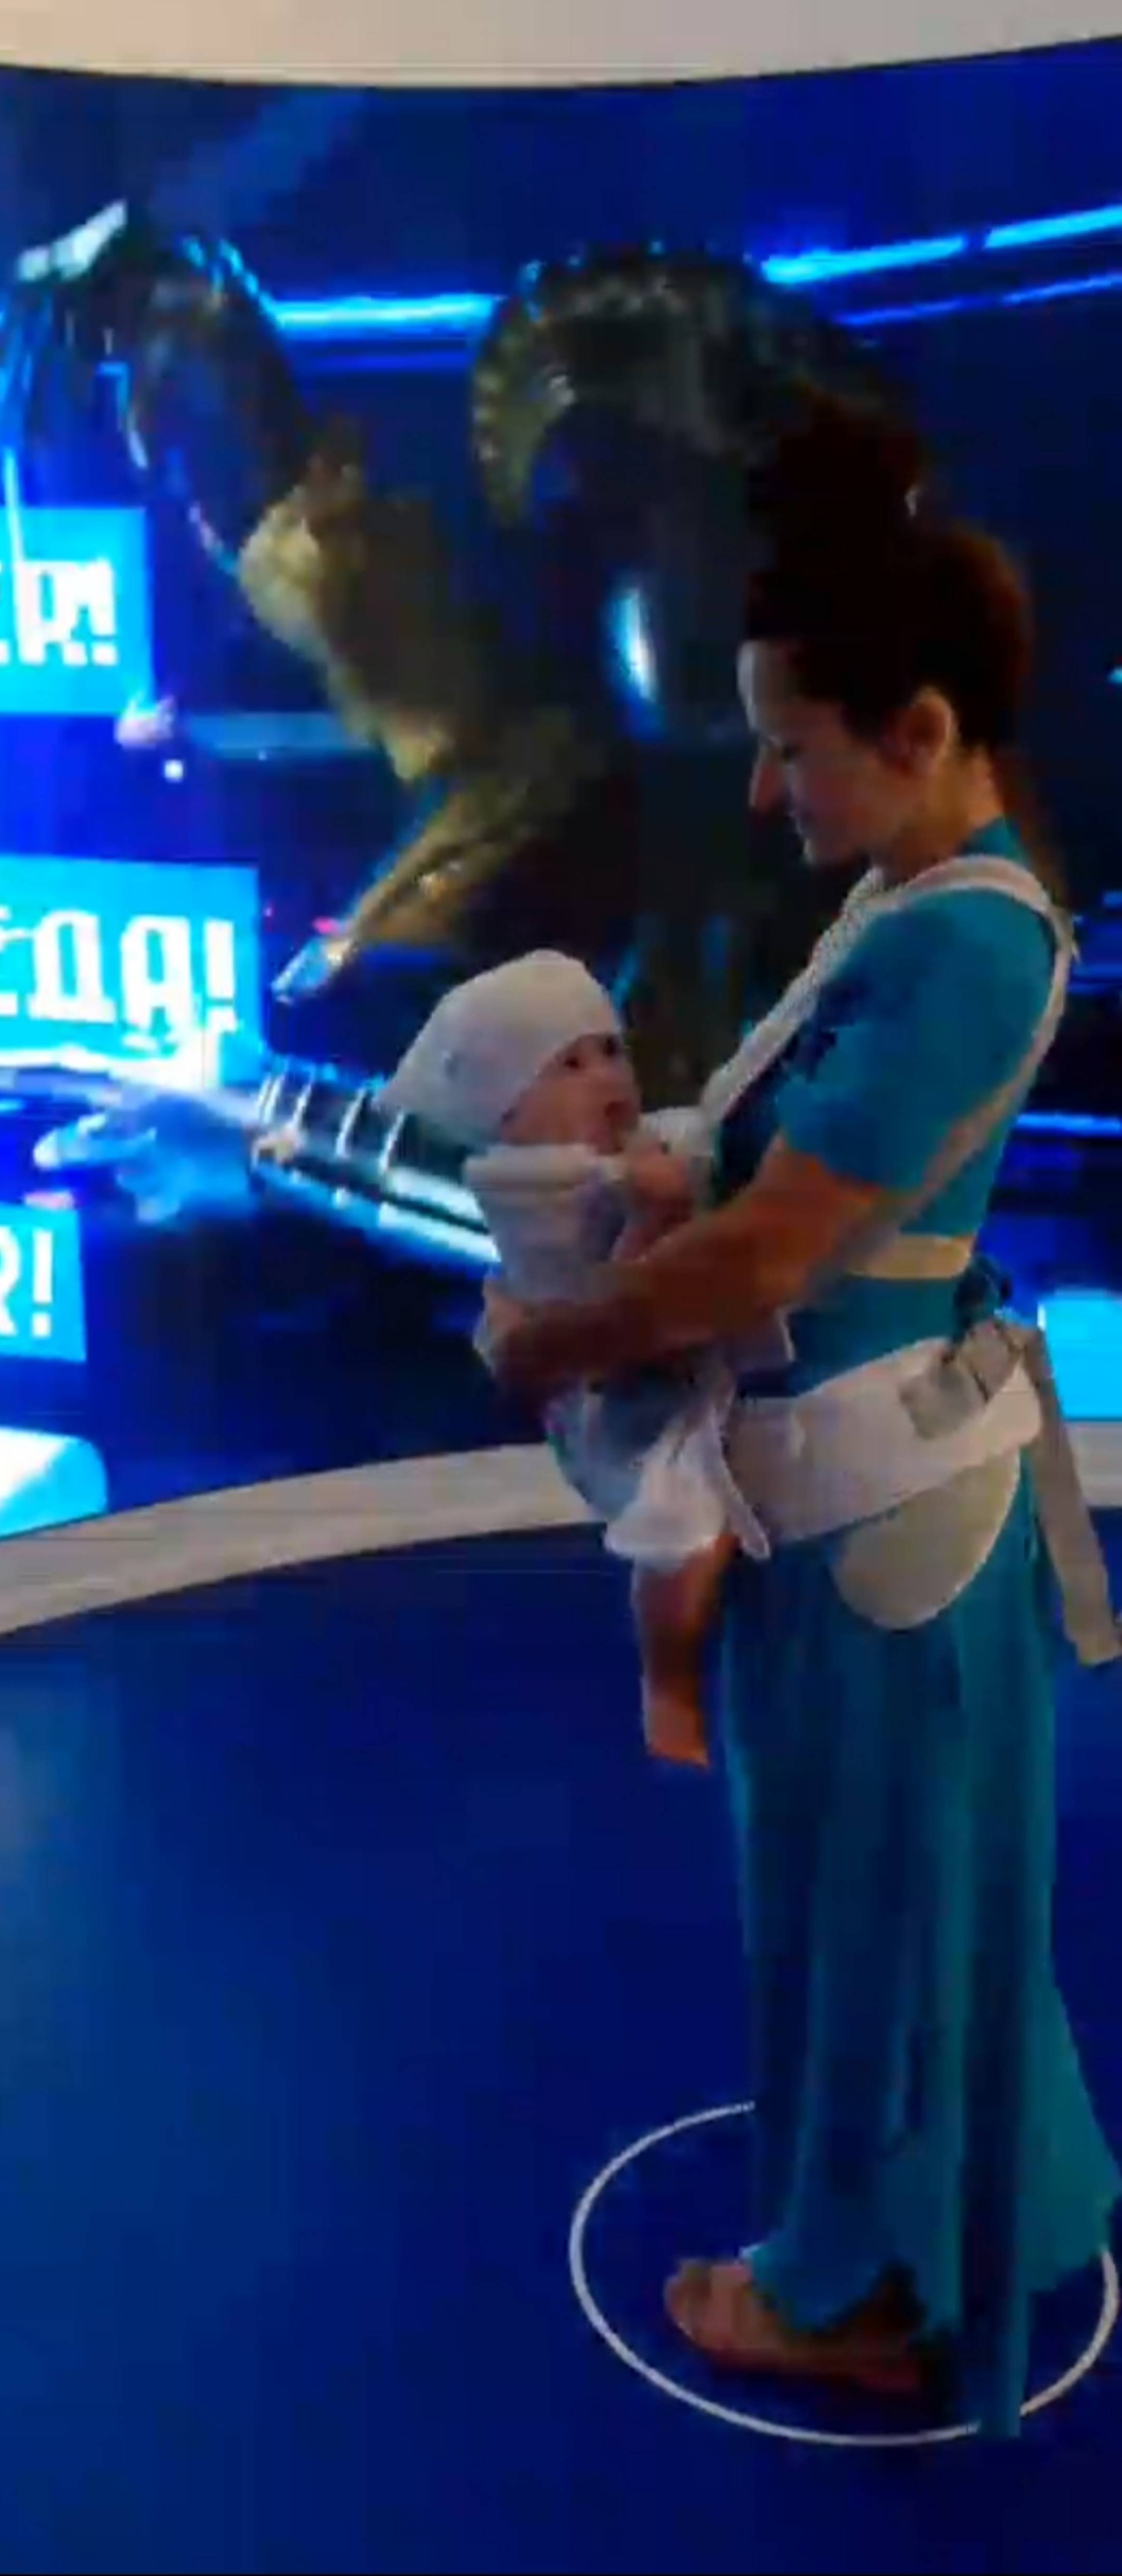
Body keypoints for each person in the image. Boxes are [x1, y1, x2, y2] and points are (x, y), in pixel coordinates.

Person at [483, 397, 1120, 2432]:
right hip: (863, 1511)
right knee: (905, 1911)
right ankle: (947, 2230)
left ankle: (855, 2290)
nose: (764, 785)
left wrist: (559, 1342)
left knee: (869, 1927)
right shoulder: (919, 897)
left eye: (793, 744)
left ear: (918, 730)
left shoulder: (957, 944)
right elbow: (767, 1184)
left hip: (879, 1527)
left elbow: (775, 1251)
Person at [382, 948, 759, 1767]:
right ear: (505, 1111)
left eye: (610, 1051)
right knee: (687, 1521)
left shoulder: (614, 1156)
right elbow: (611, 1312)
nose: (605, 1077)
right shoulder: (540, 1193)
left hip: (666, 1373)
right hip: (614, 1413)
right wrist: (653, 1214)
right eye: (567, 1066)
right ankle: (668, 1681)